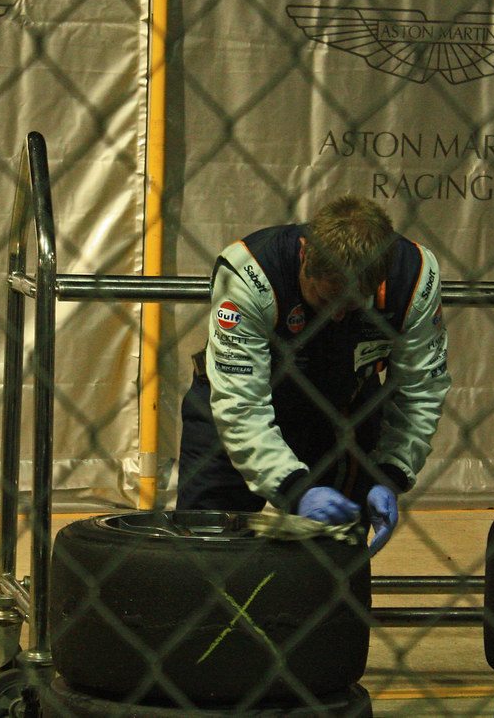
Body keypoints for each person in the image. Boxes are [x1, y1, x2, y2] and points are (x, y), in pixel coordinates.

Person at [176, 195, 450, 555]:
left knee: (336, 559)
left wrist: (391, 472)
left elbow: (421, 389)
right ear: (305, 255)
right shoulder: (250, 273)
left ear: (381, 278)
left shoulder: (414, 277)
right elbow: (241, 404)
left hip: (344, 408)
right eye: (324, 300)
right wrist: (295, 489)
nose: (335, 317)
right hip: (238, 400)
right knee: (206, 549)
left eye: (351, 306)